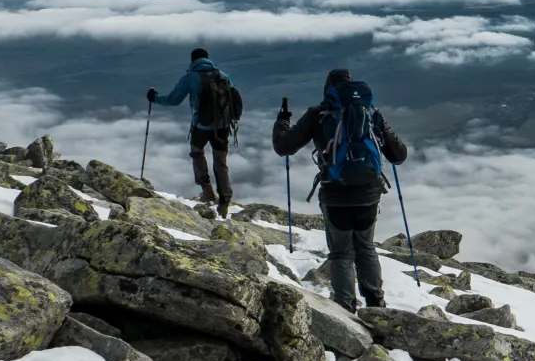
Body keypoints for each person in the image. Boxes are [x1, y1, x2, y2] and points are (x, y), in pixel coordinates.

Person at [273, 68, 408, 310]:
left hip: (335, 194)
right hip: (369, 194)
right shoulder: (371, 113)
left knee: (341, 254)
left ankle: (345, 308)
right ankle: (376, 303)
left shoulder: (318, 114)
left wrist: (282, 122)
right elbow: (399, 156)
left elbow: (283, 147)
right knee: (366, 247)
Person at [147, 47, 241, 217]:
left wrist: (154, 97)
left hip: (201, 126)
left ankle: (207, 189)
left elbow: (173, 100)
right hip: (223, 126)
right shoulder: (222, 75)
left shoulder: (190, 77)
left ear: (193, 61)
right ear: (208, 59)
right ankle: (225, 201)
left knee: (197, 152)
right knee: (221, 162)